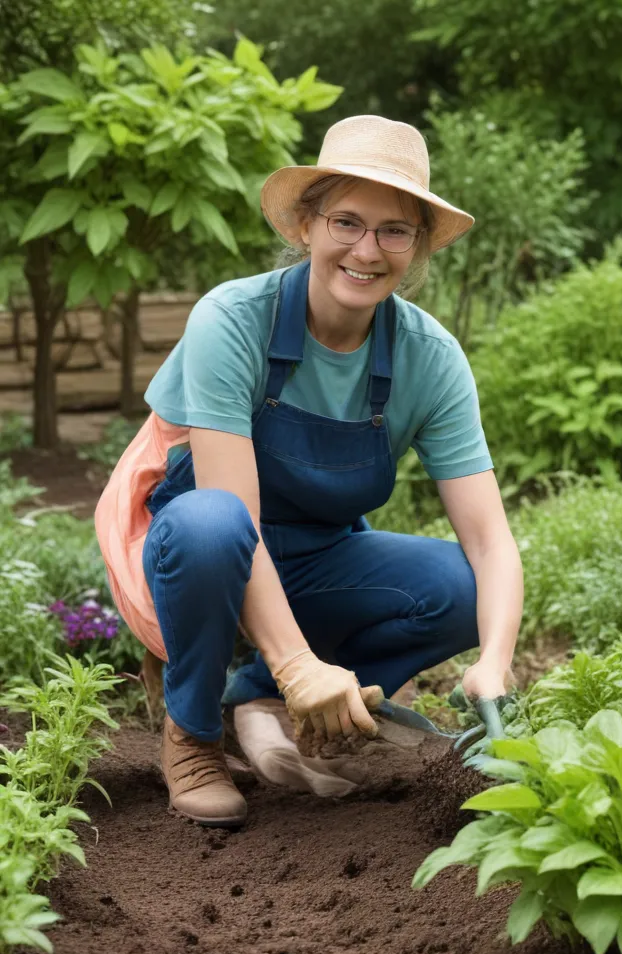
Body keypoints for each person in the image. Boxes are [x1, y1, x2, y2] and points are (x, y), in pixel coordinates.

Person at [95, 115, 524, 828]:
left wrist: (496, 662)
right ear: (305, 224)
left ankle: (262, 703)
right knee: (212, 523)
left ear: (416, 247)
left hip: (315, 560)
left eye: (394, 230)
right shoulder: (233, 320)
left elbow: (491, 542)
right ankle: (194, 734)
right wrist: (303, 664)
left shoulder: (430, 357)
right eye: (347, 222)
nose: (367, 250)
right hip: (198, 555)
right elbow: (233, 513)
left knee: (460, 587)